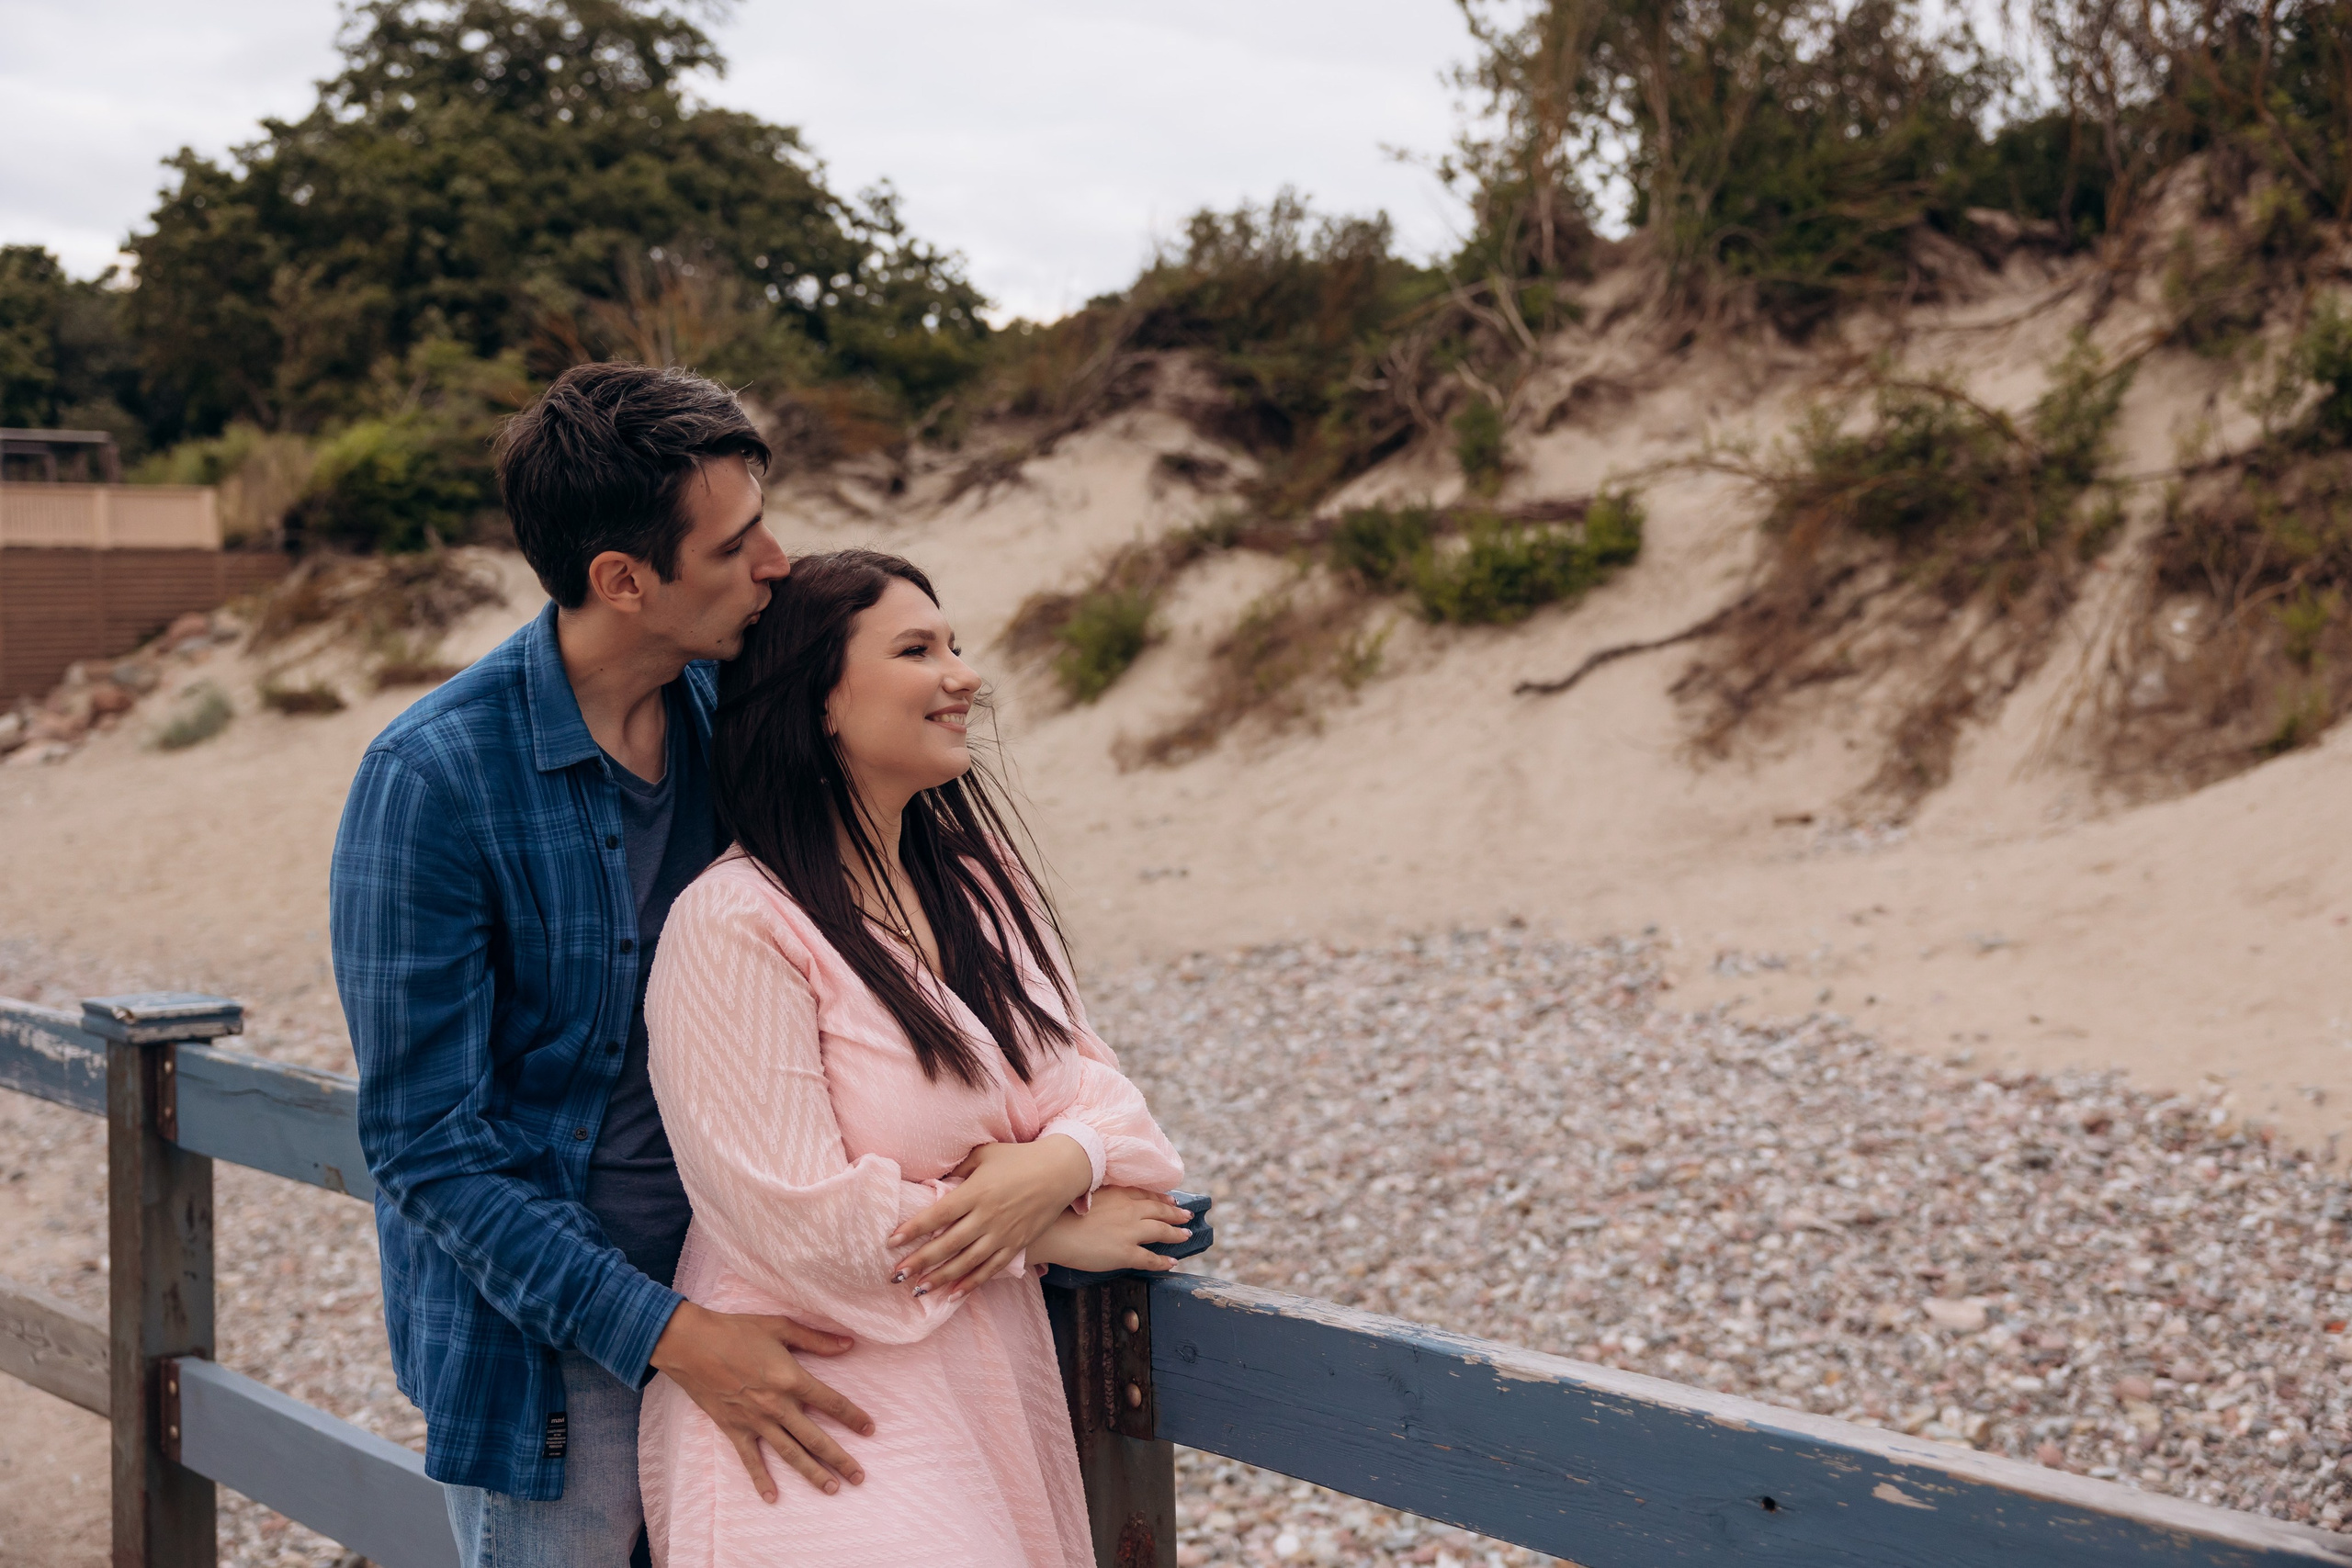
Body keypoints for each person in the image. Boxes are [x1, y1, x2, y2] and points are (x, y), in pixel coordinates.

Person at [332, 363, 881, 1567]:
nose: (776, 562)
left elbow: (883, 952)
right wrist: (671, 1335)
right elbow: (426, 1141)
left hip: (762, 1298)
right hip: (559, 1362)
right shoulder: (431, 780)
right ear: (623, 580)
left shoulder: (735, 717)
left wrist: (1075, 1157)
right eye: (735, 545)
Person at [639, 549, 1195, 1568]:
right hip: (813, 1419)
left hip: (988, 1398)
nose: (963, 676)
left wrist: (1059, 1164)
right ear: (820, 703)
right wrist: (1041, 1237)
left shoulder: (981, 888)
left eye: (955, 646)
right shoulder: (735, 924)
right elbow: (795, 1215)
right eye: (916, 649)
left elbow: (1116, 1109)